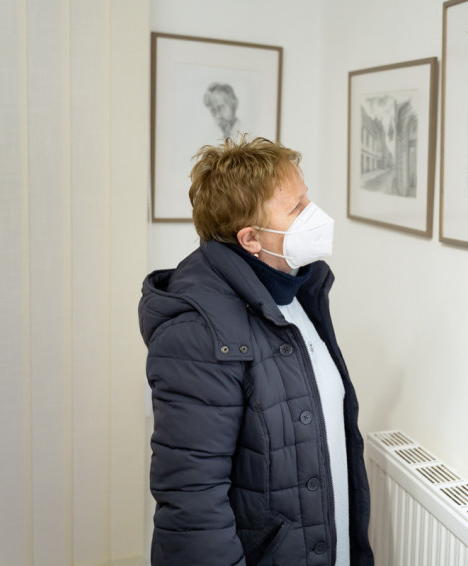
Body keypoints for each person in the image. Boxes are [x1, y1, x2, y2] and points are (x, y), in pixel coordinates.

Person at [138, 136, 374, 566]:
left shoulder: (296, 290)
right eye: (297, 208)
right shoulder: (197, 332)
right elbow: (192, 503)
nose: (315, 214)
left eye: (306, 198)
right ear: (250, 239)